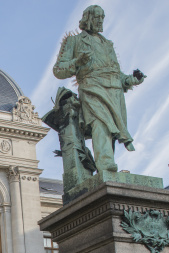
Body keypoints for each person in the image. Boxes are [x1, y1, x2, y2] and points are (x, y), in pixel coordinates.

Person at [53, 5, 146, 173]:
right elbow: (58, 70)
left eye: (102, 18)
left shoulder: (107, 44)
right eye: (97, 18)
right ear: (87, 19)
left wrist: (132, 80)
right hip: (91, 87)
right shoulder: (74, 41)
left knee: (111, 130)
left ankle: (107, 164)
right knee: (100, 123)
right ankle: (105, 165)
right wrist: (77, 62)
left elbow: (116, 72)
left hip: (114, 90)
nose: (100, 21)